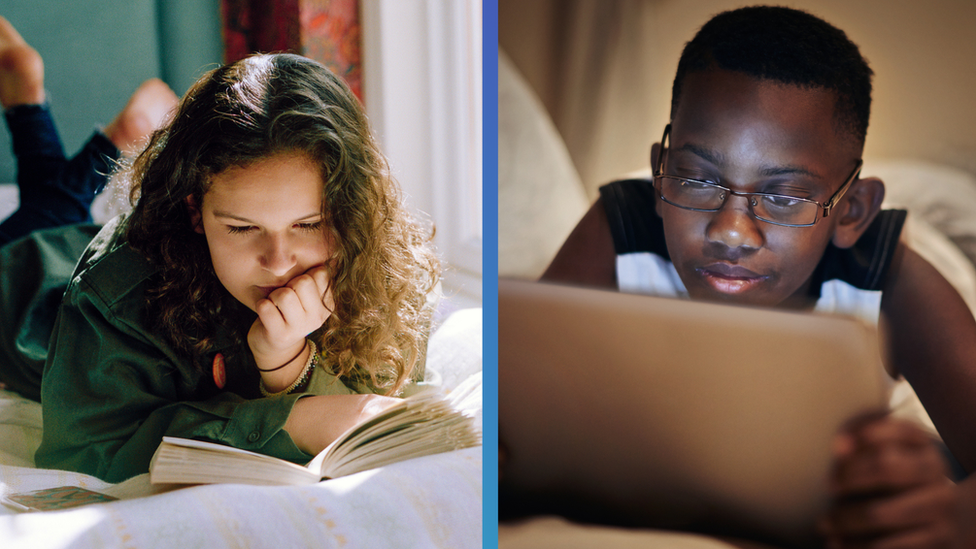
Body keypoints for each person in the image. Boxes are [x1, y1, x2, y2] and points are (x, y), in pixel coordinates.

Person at [537, 6, 973, 548]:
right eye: (696, 180)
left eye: (784, 196)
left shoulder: (889, 280)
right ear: (659, 174)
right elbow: (518, 405)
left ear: (853, 210)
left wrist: (954, 518)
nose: (732, 232)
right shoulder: (619, 229)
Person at [7, 51, 439, 482]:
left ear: (352, 207)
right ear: (195, 211)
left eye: (309, 224)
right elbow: (87, 453)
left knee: (53, 204)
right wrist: (294, 422)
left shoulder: (385, 264)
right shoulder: (112, 297)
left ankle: (34, 106)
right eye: (242, 228)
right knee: (40, 220)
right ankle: (38, 111)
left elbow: (377, 404)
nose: (278, 261)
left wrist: (285, 361)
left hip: (68, 239)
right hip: (27, 288)